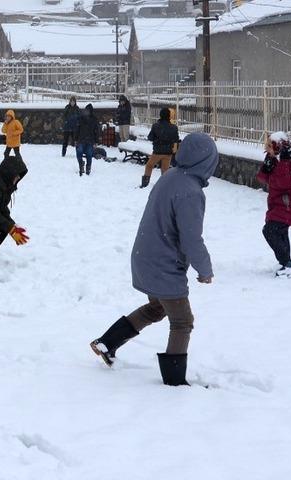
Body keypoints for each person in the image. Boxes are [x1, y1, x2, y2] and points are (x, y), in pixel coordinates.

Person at [89, 133, 218, 386]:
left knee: (157, 307)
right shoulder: (190, 191)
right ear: (207, 161)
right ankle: (174, 382)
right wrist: (205, 269)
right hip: (164, 264)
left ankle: (107, 343)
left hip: (145, 256)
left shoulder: (171, 176)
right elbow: (191, 238)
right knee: (182, 321)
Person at [257, 132, 291, 278]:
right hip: (279, 201)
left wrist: (283, 164)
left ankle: (287, 263)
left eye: (269, 147)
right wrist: (266, 166)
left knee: (270, 230)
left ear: (278, 146)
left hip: (290, 202)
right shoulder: (275, 158)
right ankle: (287, 263)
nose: (267, 150)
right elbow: (262, 179)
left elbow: (284, 183)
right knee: (280, 231)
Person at [143, 108, 180, 188]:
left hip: (158, 151)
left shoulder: (156, 126)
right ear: (169, 116)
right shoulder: (174, 127)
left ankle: (145, 183)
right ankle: (165, 185)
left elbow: (150, 137)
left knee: (149, 166)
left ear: (160, 115)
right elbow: (176, 139)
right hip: (168, 152)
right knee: (165, 170)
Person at [75, 104, 99, 176]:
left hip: (90, 140)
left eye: (88, 110)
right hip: (81, 139)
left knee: (89, 154)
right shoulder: (80, 118)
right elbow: (77, 129)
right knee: (79, 152)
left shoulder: (94, 119)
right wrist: (76, 139)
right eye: (86, 110)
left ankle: (88, 167)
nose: (87, 112)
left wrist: (96, 141)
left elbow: (96, 131)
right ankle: (81, 165)